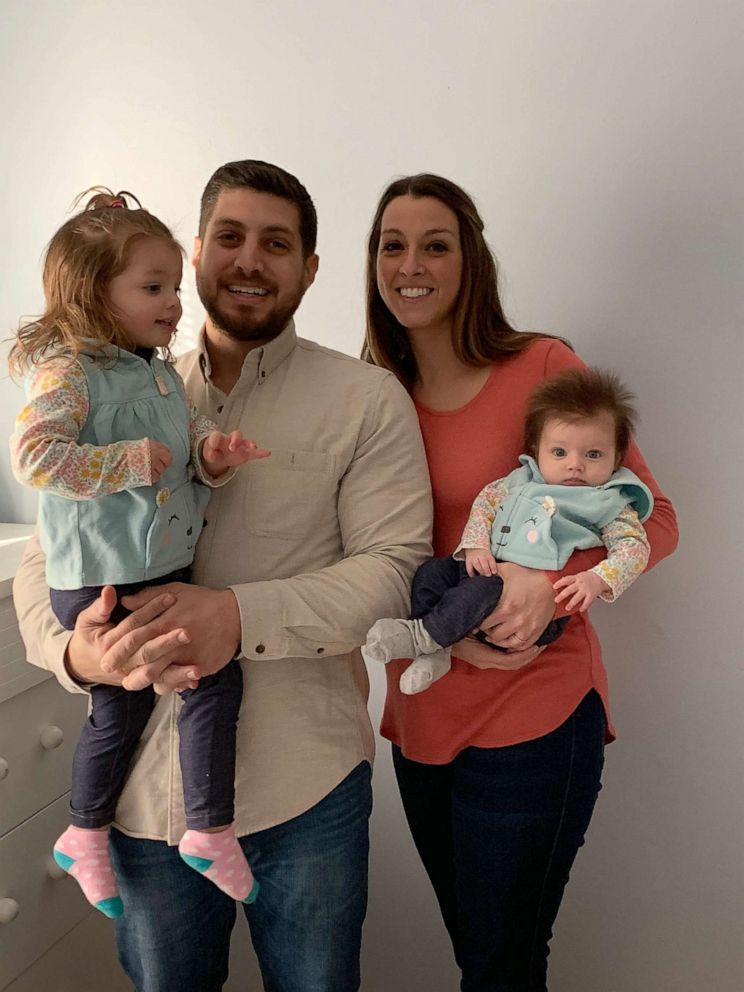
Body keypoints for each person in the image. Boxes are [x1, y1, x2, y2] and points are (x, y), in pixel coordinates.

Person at [13, 162, 433, 992]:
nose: (250, 260)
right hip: (138, 803)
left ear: (310, 268)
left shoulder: (367, 400)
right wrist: (78, 658)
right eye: (231, 238)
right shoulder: (97, 382)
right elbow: (44, 551)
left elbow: (395, 573)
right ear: (196, 251)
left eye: (277, 244)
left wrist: (236, 616)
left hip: (304, 792)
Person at [362, 173, 678, 990]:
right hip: (421, 709)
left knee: (502, 966)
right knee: (479, 956)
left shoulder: (542, 365)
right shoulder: (369, 393)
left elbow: (655, 514)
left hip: (535, 709)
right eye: (392, 244)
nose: (412, 263)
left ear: (471, 261)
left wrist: (561, 584)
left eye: (437, 243)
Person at [8, 188, 271, 917]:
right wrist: (123, 462)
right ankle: (142, 831)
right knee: (129, 708)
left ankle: (168, 830)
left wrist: (214, 455)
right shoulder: (67, 371)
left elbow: (183, 463)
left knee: (206, 685)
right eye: (154, 288)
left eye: (174, 289)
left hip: (157, 570)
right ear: (95, 293)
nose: (175, 305)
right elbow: (33, 459)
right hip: (102, 578)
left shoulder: (158, 372)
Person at [363, 367, 653, 695]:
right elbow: (486, 505)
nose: (576, 464)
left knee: (479, 593)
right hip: (484, 568)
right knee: (431, 574)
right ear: (536, 450)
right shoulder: (520, 480)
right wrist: (475, 546)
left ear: (616, 458)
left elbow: (634, 547)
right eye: (559, 452)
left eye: (593, 454)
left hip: (529, 610)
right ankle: (437, 650)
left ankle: (420, 637)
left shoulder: (608, 501)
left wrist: (597, 578)